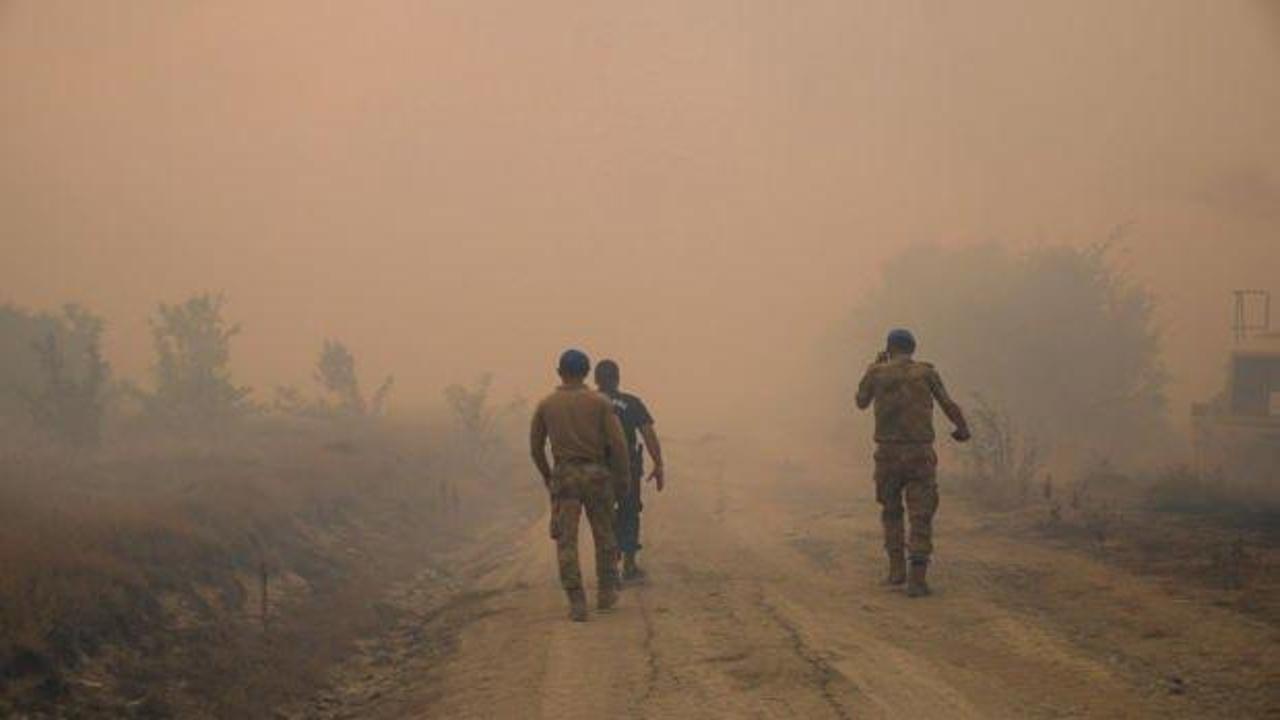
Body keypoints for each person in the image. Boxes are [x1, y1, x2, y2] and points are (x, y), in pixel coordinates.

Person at [856, 329, 970, 597]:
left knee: (892, 511)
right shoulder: (926, 373)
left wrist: (873, 366)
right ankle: (917, 580)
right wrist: (962, 429)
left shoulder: (877, 373)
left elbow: (861, 402)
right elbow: (948, 404)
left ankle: (896, 572)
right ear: (913, 348)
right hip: (920, 453)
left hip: (888, 453)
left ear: (889, 347)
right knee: (921, 515)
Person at [530, 349, 632, 621]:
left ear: (559, 371)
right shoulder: (599, 403)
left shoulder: (546, 405)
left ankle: (576, 600)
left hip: (565, 475)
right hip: (597, 474)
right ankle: (606, 591)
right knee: (604, 533)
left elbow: (536, 447)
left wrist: (548, 475)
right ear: (587, 372)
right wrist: (623, 479)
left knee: (566, 539)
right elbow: (619, 445)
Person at [593, 360, 664, 581]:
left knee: (603, 514)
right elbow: (648, 433)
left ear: (596, 380)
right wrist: (658, 463)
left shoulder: (587, 402)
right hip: (628, 465)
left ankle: (609, 564)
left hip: (597, 466)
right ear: (618, 378)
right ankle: (630, 566)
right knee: (630, 510)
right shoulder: (631, 402)